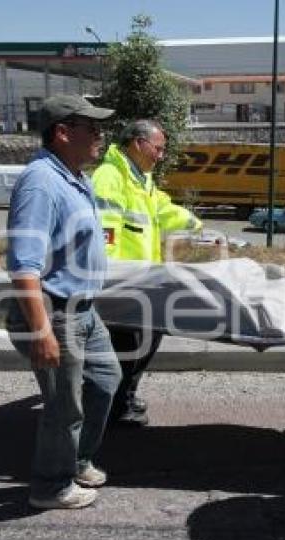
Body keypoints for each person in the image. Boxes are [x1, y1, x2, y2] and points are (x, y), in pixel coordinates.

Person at [5, 94, 122, 510]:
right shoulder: (40, 182)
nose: (99, 135)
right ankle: (50, 485)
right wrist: (41, 330)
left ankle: (76, 460)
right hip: (55, 311)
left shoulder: (74, 176)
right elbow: (23, 266)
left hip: (84, 309)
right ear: (62, 132)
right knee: (64, 404)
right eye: (91, 127)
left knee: (106, 382)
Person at [92, 119, 202, 426]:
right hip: (121, 285)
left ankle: (122, 396)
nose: (161, 155)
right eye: (158, 148)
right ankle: (114, 409)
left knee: (149, 339)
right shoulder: (110, 178)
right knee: (128, 348)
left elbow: (162, 210)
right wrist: (110, 285)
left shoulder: (142, 179)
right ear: (138, 144)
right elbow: (105, 235)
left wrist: (195, 224)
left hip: (144, 283)